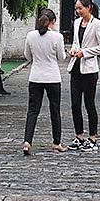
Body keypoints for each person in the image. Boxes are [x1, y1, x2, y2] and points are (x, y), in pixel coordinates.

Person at [20, 10, 67, 155]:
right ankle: (56, 142)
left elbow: (27, 56)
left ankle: (27, 141)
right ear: (53, 21)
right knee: (55, 110)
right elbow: (61, 57)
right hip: (52, 77)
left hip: (36, 77)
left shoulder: (31, 35)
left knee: (33, 110)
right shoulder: (57, 37)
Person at [65, 0, 100, 151]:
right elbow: (77, 42)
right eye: (76, 8)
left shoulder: (97, 24)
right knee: (75, 104)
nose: (78, 11)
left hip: (89, 69)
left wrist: (86, 53)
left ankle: (92, 137)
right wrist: (73, 49)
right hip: (76, 67)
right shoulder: (77, 23)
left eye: (80, 8)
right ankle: (79, 135)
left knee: (89, 104)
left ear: (89, 7)